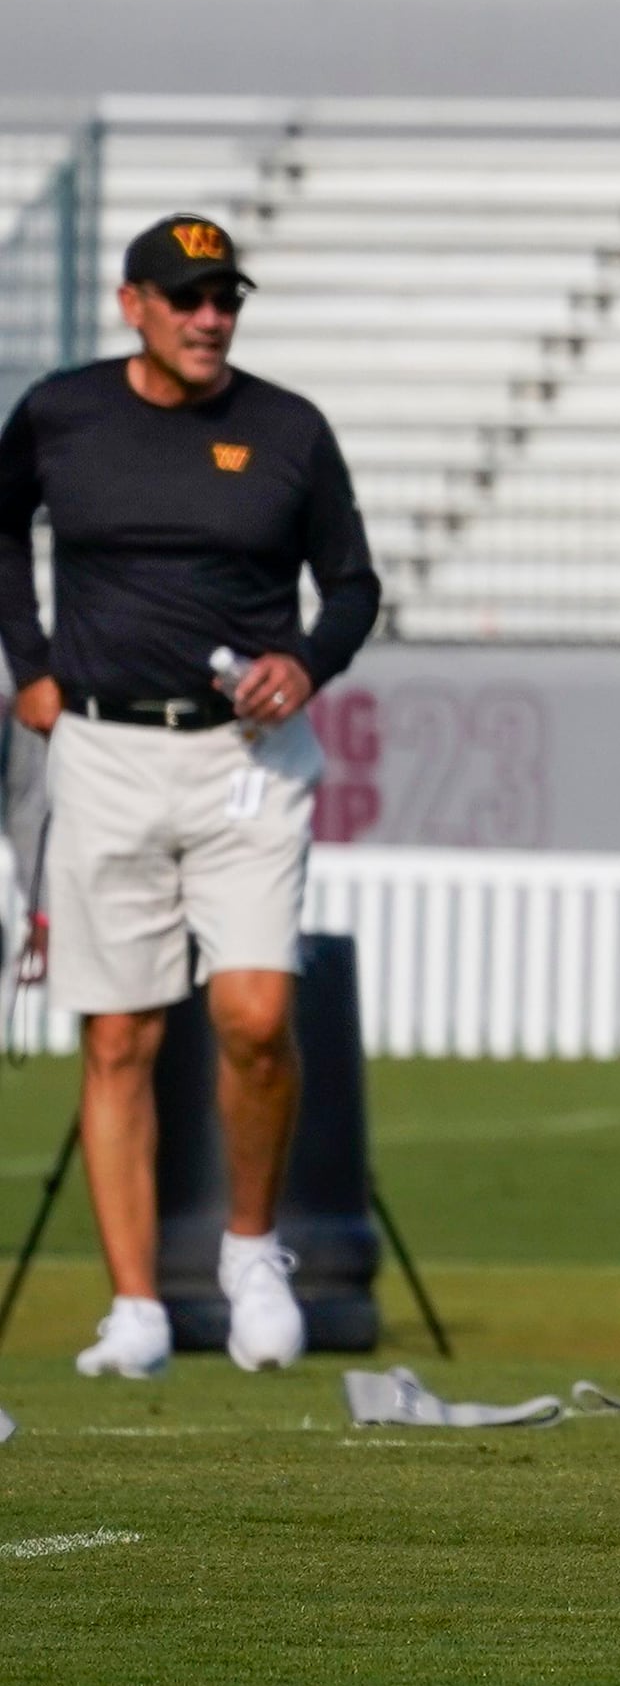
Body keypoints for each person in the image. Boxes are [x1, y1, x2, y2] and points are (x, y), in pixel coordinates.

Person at [2, 211, 379, 1382]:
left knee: (257, 1017)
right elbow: (1, 529)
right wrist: (32, 667)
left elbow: (354, 586)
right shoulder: (61, 413)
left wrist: (306, 663)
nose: (210, 317)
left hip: (246, 763)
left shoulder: (287, 429)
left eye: (225, 299)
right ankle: (135, 1309)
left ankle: (251, 1251)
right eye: (187, 298)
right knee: (118, 1036)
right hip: (104, 751)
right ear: (135, 306)